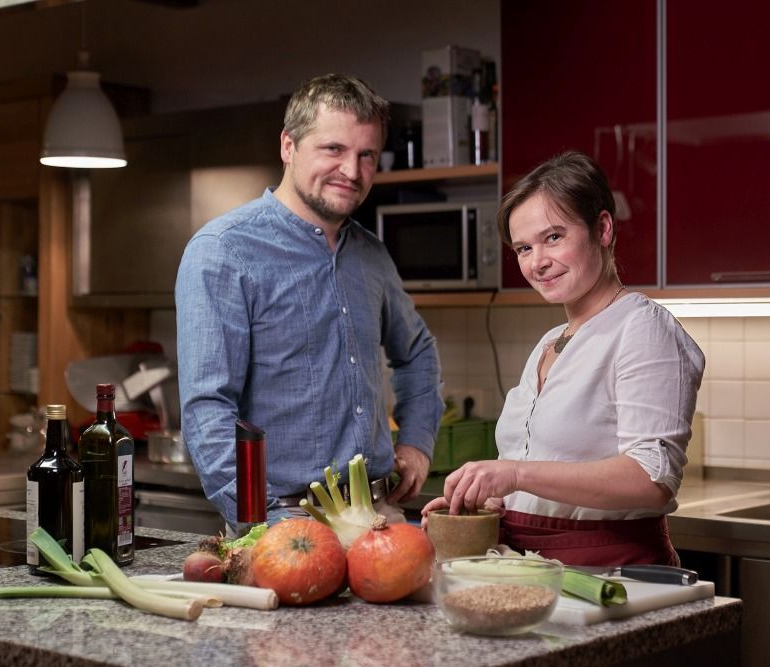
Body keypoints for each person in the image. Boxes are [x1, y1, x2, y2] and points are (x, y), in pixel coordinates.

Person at [175, 74, 443, 533]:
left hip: (382, 519)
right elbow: (208, 410)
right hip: (286, 523)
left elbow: (417, 353)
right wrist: (266, 524)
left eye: (366, 156)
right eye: (333, 150)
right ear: (288, 146)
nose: (353, 172)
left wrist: (417, 441)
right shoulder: (223, 251)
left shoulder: (372, 255)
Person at [422, 151, 704, 566]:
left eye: (554, 237)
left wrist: (515, 474)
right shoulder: (550, 342)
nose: (538, 262)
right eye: (523, 248)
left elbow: (651, 479)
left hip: (611, 574)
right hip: (529, 570)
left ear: (602, 229)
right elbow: (537, 474)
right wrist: (483, 505)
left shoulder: (643, 329)